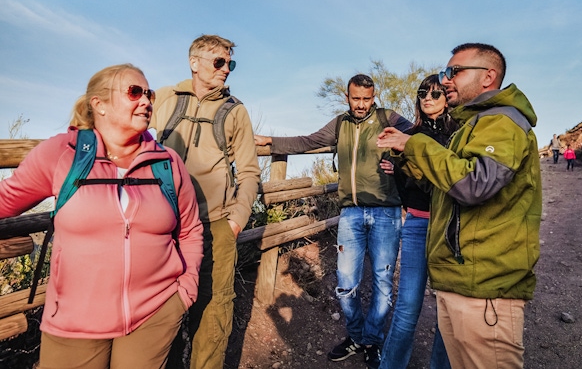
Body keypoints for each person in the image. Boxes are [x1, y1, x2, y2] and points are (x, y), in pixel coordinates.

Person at [0, 64, 203, 369]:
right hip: (74, 320)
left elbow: (190, 230)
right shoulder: (63, 153)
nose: (147, 101)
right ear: (99, 104)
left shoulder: (166, 162)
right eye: (135, 92)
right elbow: (5, 200)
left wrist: (185, 291)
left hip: (155, 312)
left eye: (148, 94)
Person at [377, 43, 542, 369]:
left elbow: (474, 184)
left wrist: (414, 144)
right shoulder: (473, 126)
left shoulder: (501, 123)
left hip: (485, 290)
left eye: (455, 72)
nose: (446, 80)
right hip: (463, 281)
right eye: (444, 73)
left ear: (488, 77)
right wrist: (405, 159)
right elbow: (444, 190)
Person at [254, 74, 412, 369]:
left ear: (374, 96)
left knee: (382, 284)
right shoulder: (340, 124)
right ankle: (356, 337)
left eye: (367, 99)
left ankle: (373, 341)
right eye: (356, 98)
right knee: (346, 284)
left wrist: (401, 164)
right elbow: (309, 141)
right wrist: (272, 141)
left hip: (386, 213)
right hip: (351, 214)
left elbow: (420, 140)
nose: (361, 105)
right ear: (347, 96)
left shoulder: (388, 117)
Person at [150, 35, 261, 369]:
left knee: (214, 314)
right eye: (219, 62)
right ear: (194, 62)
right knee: (158, 313)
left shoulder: (235, 111)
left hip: (215, 225)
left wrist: (236, 220)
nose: (226, 69)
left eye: (230, 63)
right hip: (161, 227)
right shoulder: (165, 98)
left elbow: (250, 171)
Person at [379, 75, 456, 369]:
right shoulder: (408, 133)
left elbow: (451, 182)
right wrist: (397, 170)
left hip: (447, 228)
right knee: (407, 307)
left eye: (436, 93)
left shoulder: (458, 135)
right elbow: (408, 192)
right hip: (415, 224)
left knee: (447, 310)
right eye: (423, 92)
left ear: (447, 97)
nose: (428, 98)